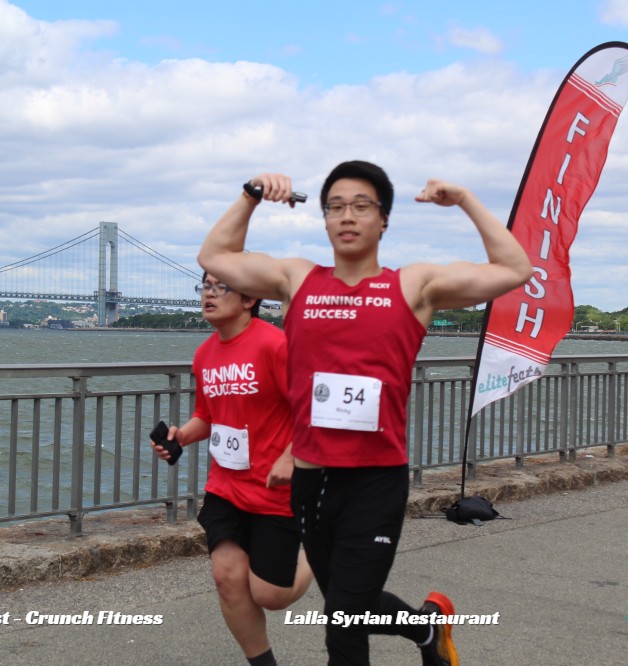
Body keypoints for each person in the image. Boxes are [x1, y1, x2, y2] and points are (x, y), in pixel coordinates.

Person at [197, 162, 533, 666]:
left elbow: (514, 269)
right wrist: (251, 195)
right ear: (325, 220)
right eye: (335, 207)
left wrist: (464, 199)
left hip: (375, 482)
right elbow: (215, 257)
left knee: (343, 622)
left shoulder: (414, 285)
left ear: (383, 219)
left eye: (361, 206)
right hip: (312, 482)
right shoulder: (298, 279)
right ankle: (426, 627)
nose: (347, 216)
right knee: (347, 603)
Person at [151, 272, 312, 666]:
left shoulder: (275, 345)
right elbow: (207, 416)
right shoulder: (204, 355)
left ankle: (321, 549)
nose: (208, 293)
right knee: (226, 576)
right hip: (226, 486)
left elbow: (311, 408)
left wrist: (291, 456)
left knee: (270, 595)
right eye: (205, 285)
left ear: (248, 299)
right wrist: (181, 435)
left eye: (220, 286)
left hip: (275, 488)